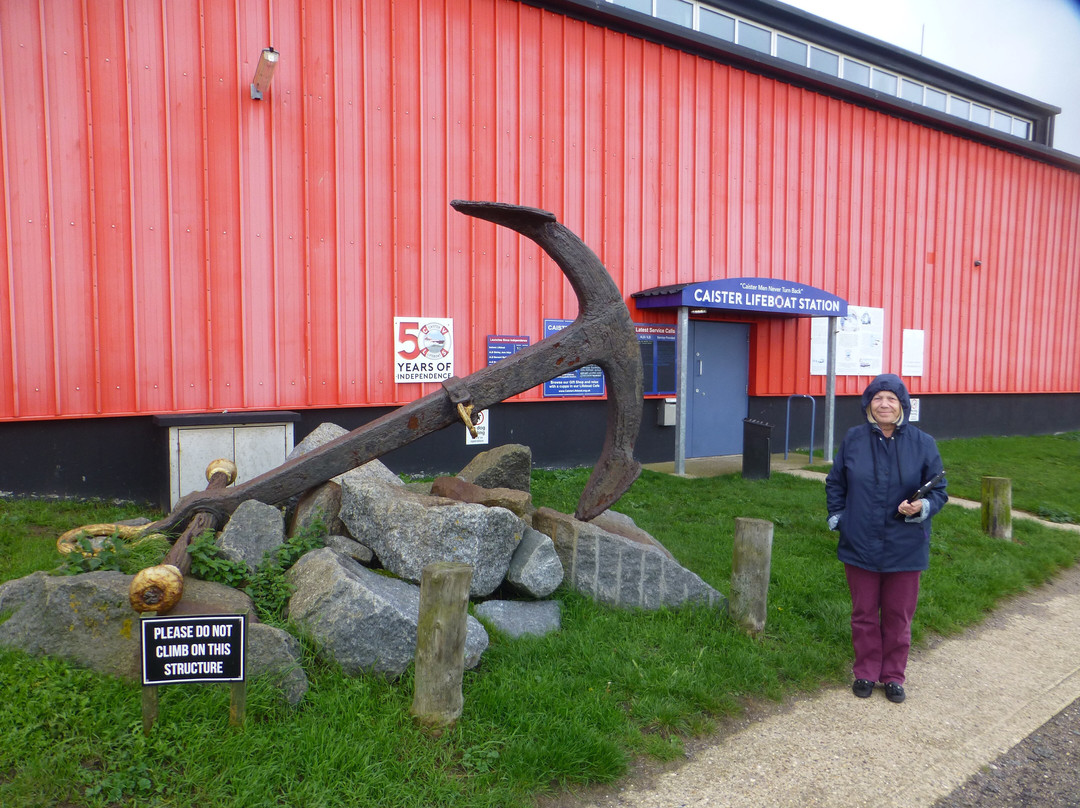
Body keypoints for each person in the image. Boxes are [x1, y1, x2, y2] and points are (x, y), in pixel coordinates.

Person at [825, 373, 948, 703]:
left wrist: (922, 505)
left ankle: (893, 674)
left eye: (891, 399)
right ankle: (865, 671)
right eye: (878, 398)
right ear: (868, 405)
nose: (884, 404)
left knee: (898, 615)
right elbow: (836, 483)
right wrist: (838, 517)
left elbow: (939, 491)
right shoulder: (853, 439)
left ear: (903, 405)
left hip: (905, 544)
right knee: (863, 613)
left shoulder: (923, 444)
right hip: (859, 541)